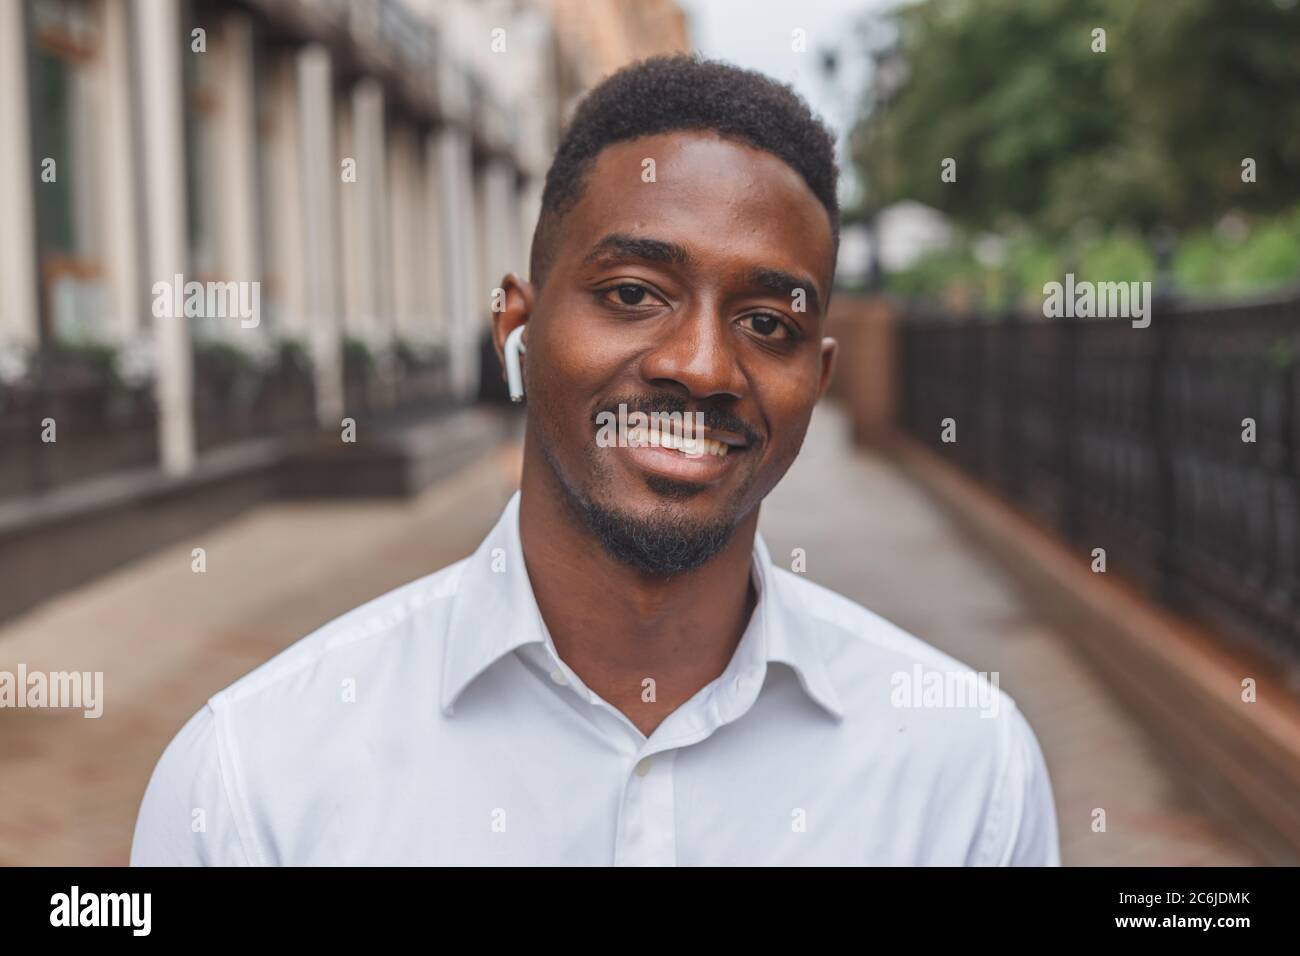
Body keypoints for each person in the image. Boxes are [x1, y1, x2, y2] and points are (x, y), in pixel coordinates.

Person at [131, 54, 1060, 866]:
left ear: (816, 377)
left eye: (766, 322)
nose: (699, 367)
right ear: (517, 326)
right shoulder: (256, 776)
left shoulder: (967, 771)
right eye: (632, 292)